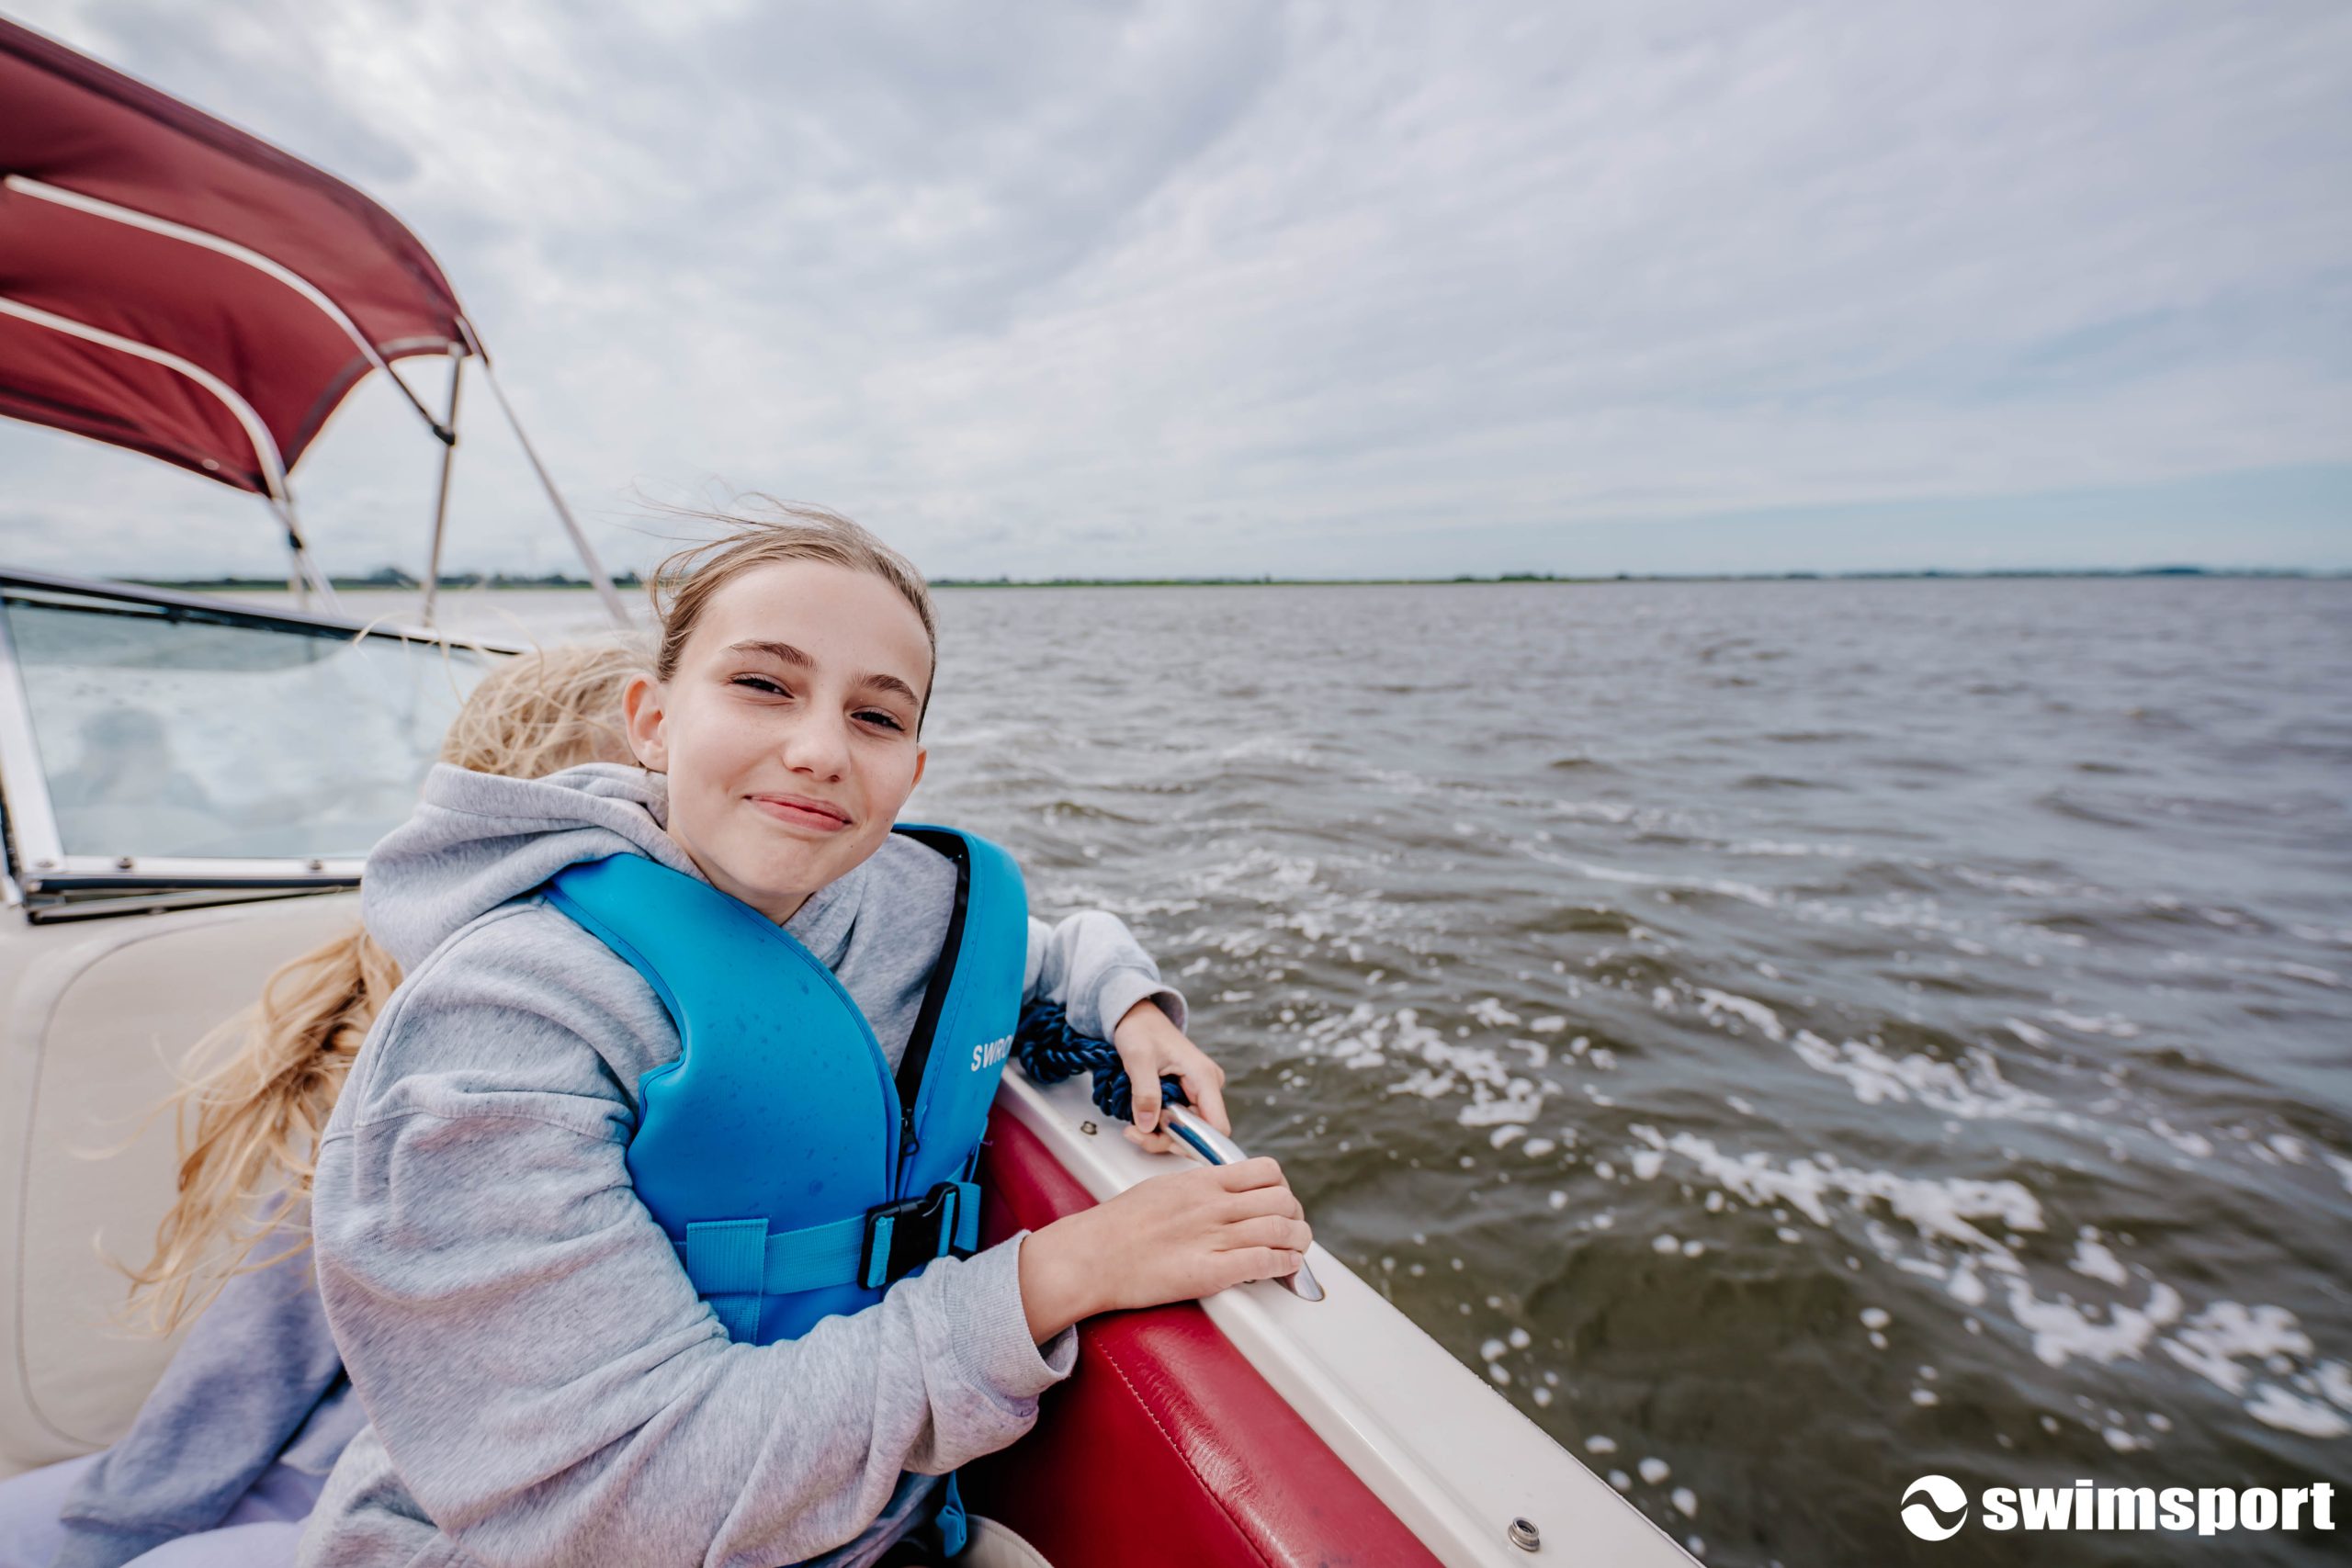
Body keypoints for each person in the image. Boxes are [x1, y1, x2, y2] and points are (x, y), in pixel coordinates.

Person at [293, 506, 1310, 1568]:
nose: (820, 750)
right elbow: (621, 1498)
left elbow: (1044, 952)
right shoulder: (501, 1021)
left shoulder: (911, 908)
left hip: (878, 1533)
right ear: (652, 721)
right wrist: (1057, 1274)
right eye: (763, 685)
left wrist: (1131, 1007)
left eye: (875, 716)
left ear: (912, 772)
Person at [0, 639, 652, 1568]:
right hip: (319, 1465)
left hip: (443, 1501)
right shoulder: (422, 1060)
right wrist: (123, 1520)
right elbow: (259, 1349)